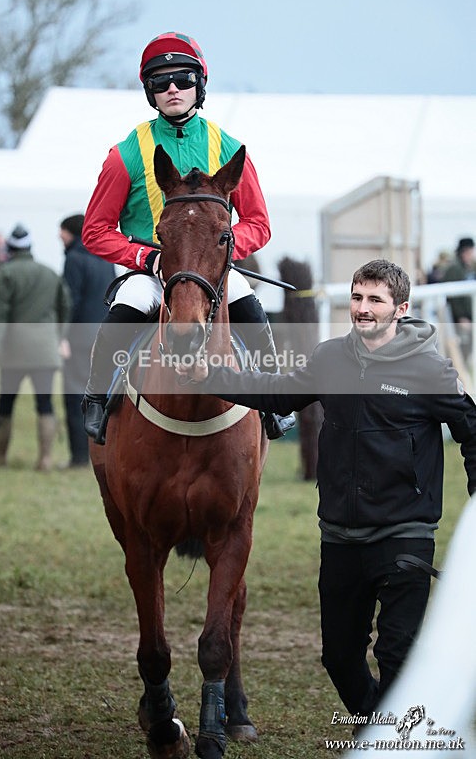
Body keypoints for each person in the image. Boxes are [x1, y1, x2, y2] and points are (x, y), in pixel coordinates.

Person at [178, 258, 476, 720]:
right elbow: (277, 393)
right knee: (338, 658)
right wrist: (213, 378)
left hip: (405, 535)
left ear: (400, 308)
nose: (363, 308)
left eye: (375, 299)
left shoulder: (429, 370)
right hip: (340, 535)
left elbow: (471, 428)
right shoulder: (330, 358)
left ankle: (393, 745)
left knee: (397, 658)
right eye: (357, 298)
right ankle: (378, 730)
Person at [80, 30, 295, 444]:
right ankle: (95, 400)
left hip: (212, 270)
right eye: (160, 82)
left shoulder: (227, 147)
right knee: (123, 313)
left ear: (200, 85)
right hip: (151, 269)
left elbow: (258, 222)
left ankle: (272, 403)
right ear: (150, 91)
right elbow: (95, 231)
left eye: (182, 79)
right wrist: (146, 259)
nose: (173, 88)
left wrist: (223, 250)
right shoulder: (125, 154)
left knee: (251, 309)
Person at [0, 224, 71, 471]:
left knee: (6, 403)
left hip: (14, 351)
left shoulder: (5, 273)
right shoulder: (50, 273)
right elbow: (65, 307)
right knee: (45, 403)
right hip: (46, 349)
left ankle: (0, 456)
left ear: (10, 247)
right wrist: (60, 338)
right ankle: (45, 459)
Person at [59, 214, 115, 468]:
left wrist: (62, 335)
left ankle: (80, 456)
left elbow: (70, 302)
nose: (59, 236)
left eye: (62, 232)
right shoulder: (105, 257)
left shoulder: (74, 259)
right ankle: (102, 450)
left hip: (78, 336)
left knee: (74, 394)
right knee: (100, 393)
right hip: (104, 334)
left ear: (72, 233)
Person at [442, 237, 476, 361]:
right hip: (459, 318)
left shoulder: (468, 268)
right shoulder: (455, 269)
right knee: (460, 349)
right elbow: (452, 297)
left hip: (469, 316)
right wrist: (461, 316)